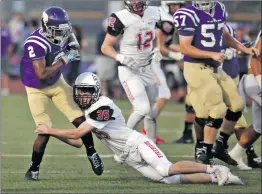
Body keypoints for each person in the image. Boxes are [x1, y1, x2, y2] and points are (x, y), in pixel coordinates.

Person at [35, 72, 243, 186]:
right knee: (169, 180)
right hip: (128, 156)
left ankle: (213, 168)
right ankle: (217, 177)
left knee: (165, 168)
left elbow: (78, 133)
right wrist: (50, 132)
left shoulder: (103, 107)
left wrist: (51, 131)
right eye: (80, 92)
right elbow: (77, 142)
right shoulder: (91, 112)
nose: (82, 96)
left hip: (136, 144)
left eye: (87, 92)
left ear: (96, 92)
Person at [20, 6, 103, 180]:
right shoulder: (36, 43)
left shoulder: (61, 31)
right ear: (47, 27)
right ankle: (33, 169)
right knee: (43, 132)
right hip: (36, 88)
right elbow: (41, 74)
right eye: (59, 31)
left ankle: (92, 153)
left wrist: (73, 44)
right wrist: (65, 58)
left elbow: (72, 39)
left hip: (57, 82)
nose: (63, 34)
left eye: (64, 30)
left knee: (80, 118)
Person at [174, 0, 260, 165]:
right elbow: (184, 47)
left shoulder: (219, 8)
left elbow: (225, 35)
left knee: (238, 105)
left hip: (216, 68)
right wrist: (211, 54)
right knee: (217, 108)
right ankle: (205, 151)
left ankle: (220, 145)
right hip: (196, 67)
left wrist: (243, 48)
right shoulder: (187, 14)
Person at [101, 0, 163, 143]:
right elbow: (105, 47)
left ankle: (151, 144)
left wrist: (157, 48)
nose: (137, 2)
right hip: (129, 69)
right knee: (142, 109)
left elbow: (156, 35)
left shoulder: (154, 13)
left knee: (152, 112)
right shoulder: (119, 18)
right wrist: (120, 57)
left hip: (147, 68)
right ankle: (123, 143)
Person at [140, 1, 186, 143]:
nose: (177, 8)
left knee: (145, 99)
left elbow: (167, 44)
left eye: (179, 5)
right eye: (174, 5)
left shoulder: (161, 15)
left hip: (151, 60)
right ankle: (145, 130)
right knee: (162, 94)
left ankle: (146, 130)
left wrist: (183, 50)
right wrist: (177, 56)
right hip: (149, 60)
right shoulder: (165, 20)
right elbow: (160, 47)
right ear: (167, 5)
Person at [229, 30, 262, 169]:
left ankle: (235, 154)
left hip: (254, 81)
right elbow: (256, 60)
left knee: (258, 127)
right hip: (256, 80)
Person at [95, 19, 116, 97]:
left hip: (110, 57)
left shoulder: (112, 35)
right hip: (102, 57)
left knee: (109, 77)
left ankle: (107, 93)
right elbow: (102, 47)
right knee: (102, 77)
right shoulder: (101, 34)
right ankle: (102, 93)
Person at [1, 20, 13, 96]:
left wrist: (9, 54)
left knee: (5, 72)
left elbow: (10, 44)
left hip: (4, 54)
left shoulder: (5, 32)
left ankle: (5, 88)